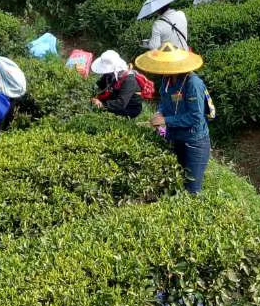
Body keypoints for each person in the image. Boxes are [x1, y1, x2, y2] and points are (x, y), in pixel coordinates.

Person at [134, 43, 212, 194]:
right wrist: (160, 113)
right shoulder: (167, 80)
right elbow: (165, 103)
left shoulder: (193, 84)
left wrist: (166, 121)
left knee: (192, 189)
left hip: (194, 141)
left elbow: (195, 117)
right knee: (178, 181)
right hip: (176, 137)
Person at [90, 50, 143, 118]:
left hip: (129, 108)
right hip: (115, 100)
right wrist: (93, 94)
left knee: (98, 111)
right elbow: (99, 85)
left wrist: (102, 104)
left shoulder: (129, 80)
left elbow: (121, 103)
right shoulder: (110, 74)